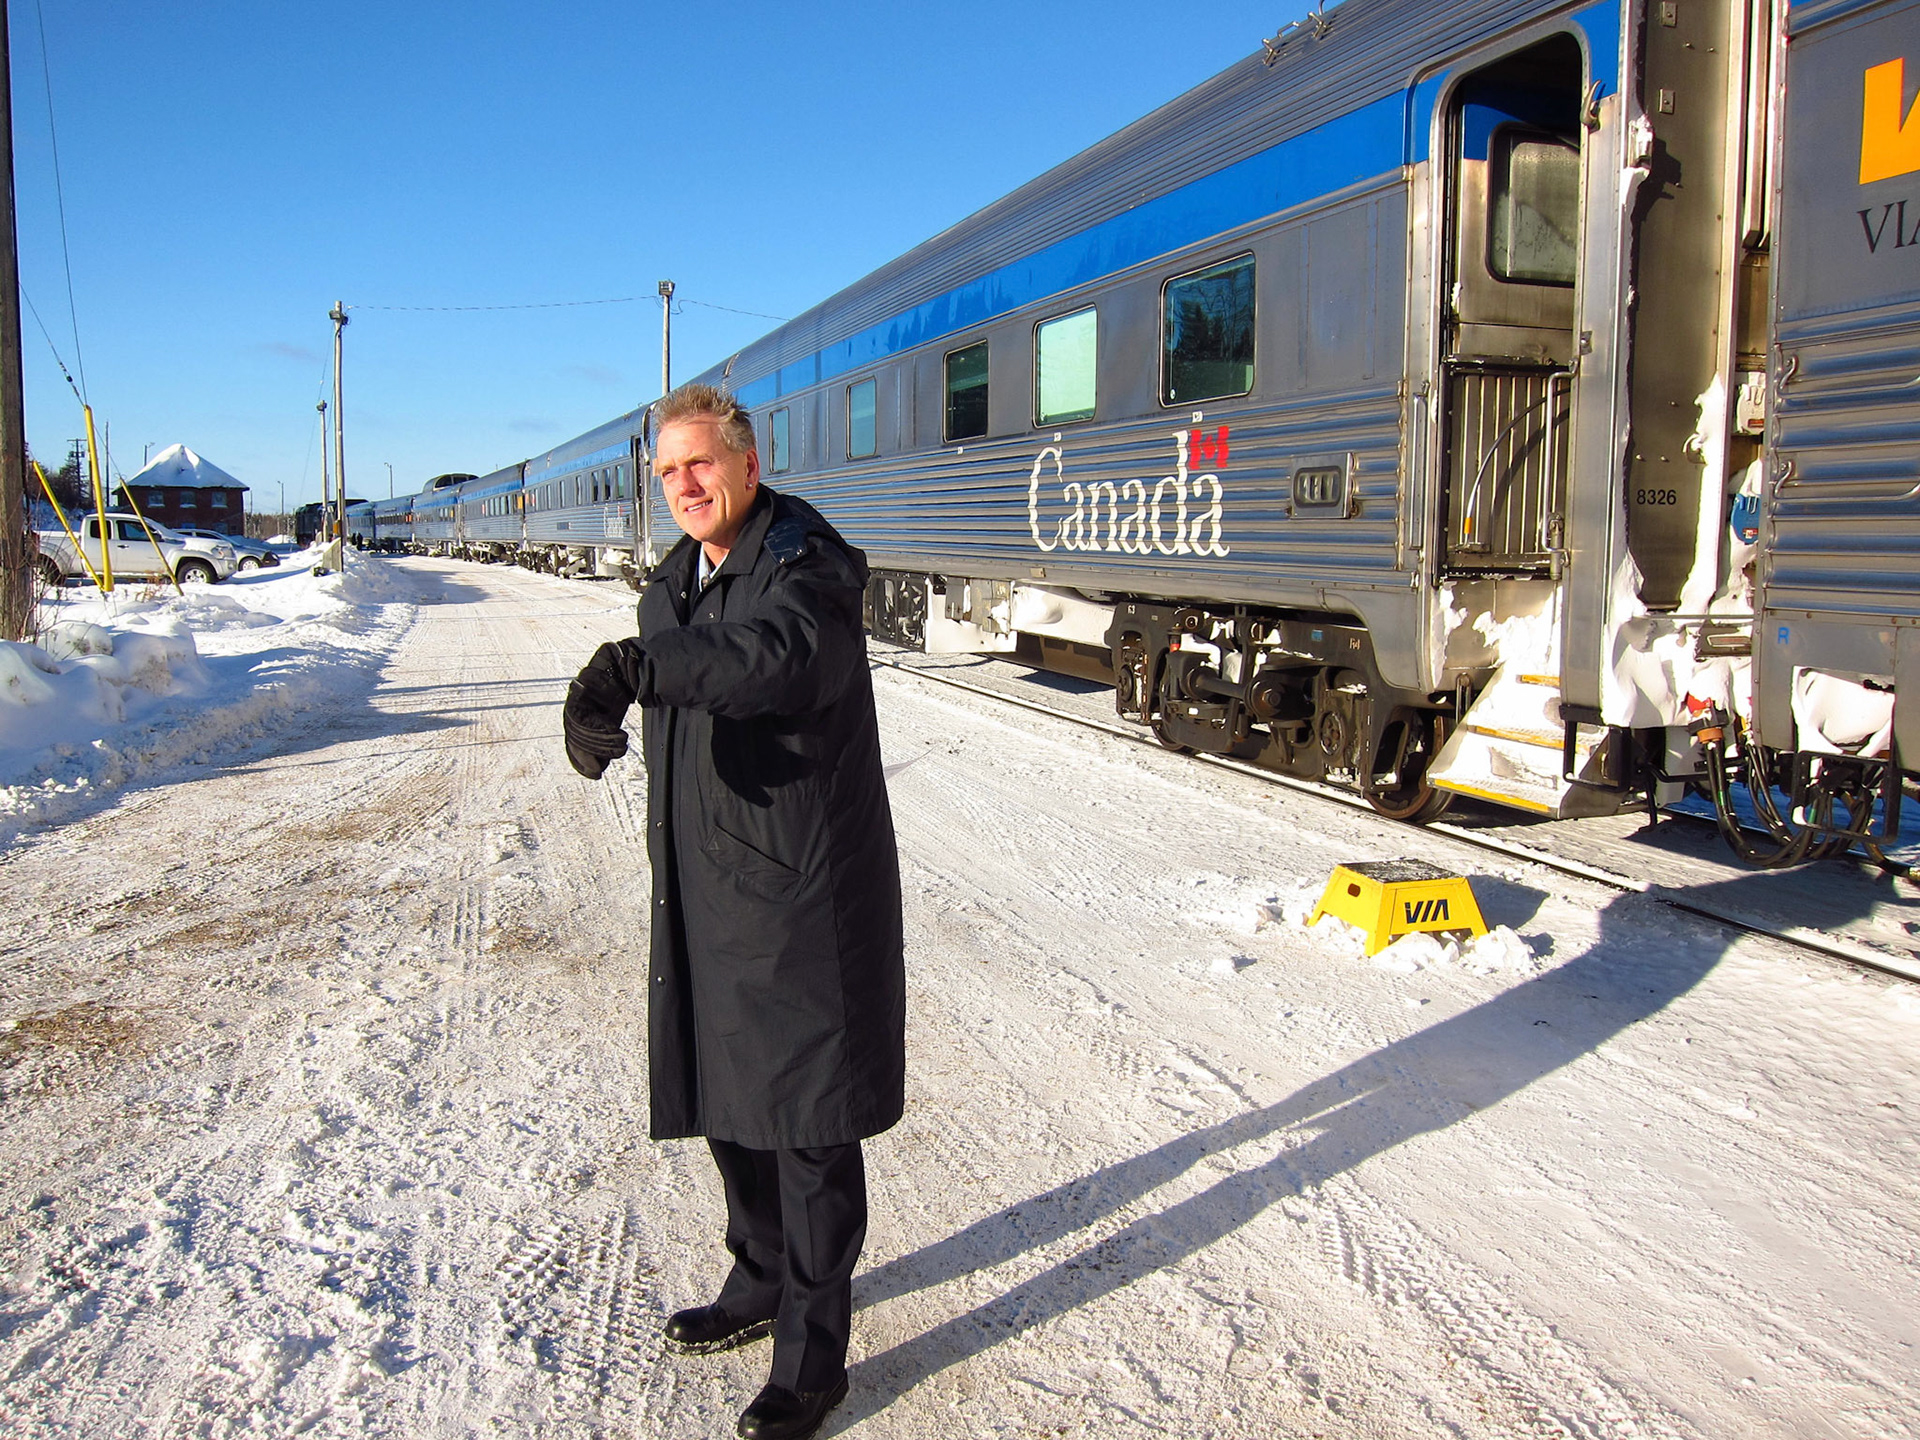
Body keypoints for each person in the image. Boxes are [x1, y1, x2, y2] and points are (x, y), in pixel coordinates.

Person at [563, 382, 905, 1440]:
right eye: (666, 471)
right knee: (728, 1096)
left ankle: (815, 1359)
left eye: (699, 464)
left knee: (805, 1121)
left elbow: (780, 659)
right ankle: (757, 1277)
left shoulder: (806, 564)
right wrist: (604, 705)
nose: (683, 486)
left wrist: (638, 669)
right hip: (710, 882)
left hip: (802, 887)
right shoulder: (672, 581)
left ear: (748, 465)